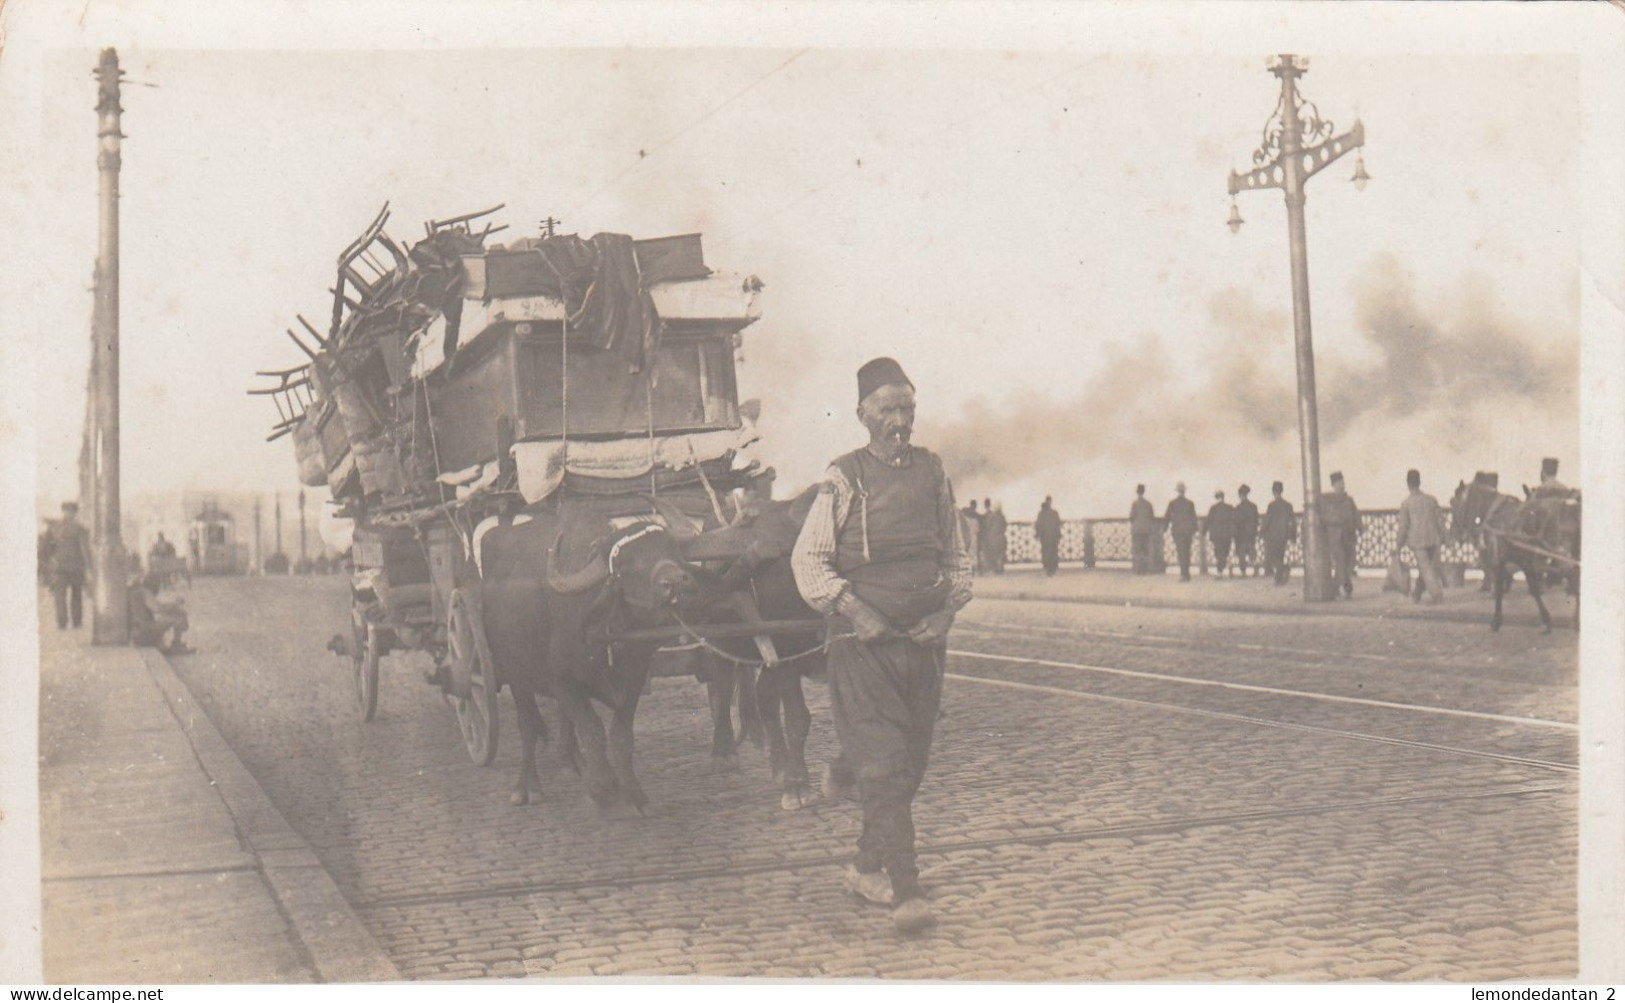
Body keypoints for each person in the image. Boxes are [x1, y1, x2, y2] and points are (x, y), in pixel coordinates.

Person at [791, 357, 972, 935]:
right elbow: (808, 560)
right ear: (863, 416)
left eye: (908, 409)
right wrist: (854, 608)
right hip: (861, 648)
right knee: (886, 765)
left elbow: (958, 556)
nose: (900, 421)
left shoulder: (933, 472)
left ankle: (866, 866)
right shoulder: (843, 477)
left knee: (910, 766)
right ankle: (907, 889)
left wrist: (945, 613)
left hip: (921, 646)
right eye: (888, 410)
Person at [1396, 468, 1447, 605]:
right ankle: (1417, 593)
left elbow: (1403, 527)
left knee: (1425, 569)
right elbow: (1440, 520)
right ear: (1419, 482)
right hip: (1434, 539)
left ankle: (1437, 594)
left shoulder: (1406, 503)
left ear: (1408, 484)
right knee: (1427, 568)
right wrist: (1444, 536)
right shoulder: (1431, 500)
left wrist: (1398, 545)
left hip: (1417, 542)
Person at [43, 501, 93, 630]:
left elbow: (47, 548)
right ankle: (75, 622)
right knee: (75, 595)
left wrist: (51, 560)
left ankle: (62, 622)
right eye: (68, 511)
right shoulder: (80, 529)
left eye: (69, 511)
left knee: (61, 595)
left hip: (60, 566)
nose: (69, 514)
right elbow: (85, 550)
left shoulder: (54, 528)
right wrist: (88, 567)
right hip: (74, 566)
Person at [128, 570, 192, 654]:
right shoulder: (144, 591)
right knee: (178, 618)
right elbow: (157, 608)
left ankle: (161, 643)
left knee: (167, 618)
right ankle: (177, 645)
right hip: (143, 630)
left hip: (135, 631)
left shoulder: (134, 591)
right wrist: (175, 606)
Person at [1322, 471, 1361, 598]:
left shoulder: (1349, 500)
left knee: (1349, 563)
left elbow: (1355, 515)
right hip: (1335, 536)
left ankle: (1337, 587)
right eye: (1339, 483)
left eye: (1342, 483)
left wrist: (1360, 527)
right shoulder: (1327, 500)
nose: (1342, 486)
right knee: (1341, 562)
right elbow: (1324, 517)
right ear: (1333, 485)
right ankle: (1343, 588)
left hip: (1348, 535)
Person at [1260, 481, 1297, 586]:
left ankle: (1284, 568)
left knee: (1272, 557)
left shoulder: (1271, 505)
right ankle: (1278, 579)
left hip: (1273, 535)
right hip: (1284, 535)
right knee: (1280, 555)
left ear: (1273, 492)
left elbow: (1267, 520)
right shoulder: (1288, 505)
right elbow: (1292, 522)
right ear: (1282, 491)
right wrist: (1293, 536)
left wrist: (1262, 532)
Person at [1164, 483, 1198, 582]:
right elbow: (1194, 518)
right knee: (1187, 552)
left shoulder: (1172, 503)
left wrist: (1164, 528)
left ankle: (1183, 574)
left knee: (1181, 552)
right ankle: (1186, 574)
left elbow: (1167, 517)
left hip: (1178, 531)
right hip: (1188, 531)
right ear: (1184, 491)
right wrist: (1195, 530)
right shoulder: (1190, 503)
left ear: (1177, 491)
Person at [1205, 490, 1236, 578]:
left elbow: (1208, 520)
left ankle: (1220, 572)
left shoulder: (1213, 508)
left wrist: (1203, 531)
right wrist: (1233, 533)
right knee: (1225, 553)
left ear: (1216, 497)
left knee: (1219, 553)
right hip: (1227, 535)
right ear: (1223, 497)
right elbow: (1233, 521)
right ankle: (1221, 570)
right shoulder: (1229, 507)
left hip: (1217, 535)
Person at [1233, 485, 1260, 578]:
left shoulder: (1238, 507)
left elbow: (1235, 521)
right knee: (1252, 552)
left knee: (1242, 554)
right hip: (1251, 533)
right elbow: (1256, 521)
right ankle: (1256, 569)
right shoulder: (1253, 507)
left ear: (1240, 495)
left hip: (1241, 534)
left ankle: (1243, 572)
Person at [1129, 485, 1156, 574]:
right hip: (1146, 530)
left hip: (1137, 530)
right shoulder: (1148, 504)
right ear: (1144, 492)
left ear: (1137, 492)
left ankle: (1138, 570)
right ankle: (1144, 569)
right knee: (1145, 550)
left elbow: (1131, 517)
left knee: (1137, 550)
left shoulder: (1134, 504)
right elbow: (1152, 517)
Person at [1034, 497, 1062, 576]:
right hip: (1053, 537)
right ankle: (1052, 568)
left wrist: (1037, 535)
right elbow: (1058, 524)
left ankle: (1048, 567)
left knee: (1046, 552)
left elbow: (1038, 525)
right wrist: (1059, 535)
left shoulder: (1041, 513)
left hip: (1045, 537)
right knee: (1053, 552)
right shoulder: (1054, 513)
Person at [981, 500, 1007, 575]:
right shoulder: (1002, 517)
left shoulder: (991, 516)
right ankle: (1000, 568)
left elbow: (987, 526)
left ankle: (996, 568)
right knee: (1000, 553)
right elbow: (1004, 527)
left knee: (995, 553)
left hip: (993, 538)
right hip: (1001, 538)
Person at [960, 499, 982, 575]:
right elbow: (978, 529)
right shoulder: (977, 517)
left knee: (967, 552)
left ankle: (968, 569)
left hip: (966, 536)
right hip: (974, 537)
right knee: (974, 553)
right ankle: (974, 569)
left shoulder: (965, 516)